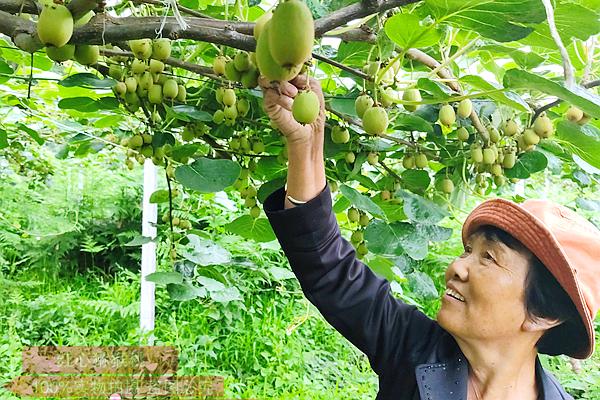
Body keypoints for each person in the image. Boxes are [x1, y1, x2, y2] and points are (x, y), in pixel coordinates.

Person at [258, 76, 600, 400]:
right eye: (468, 251)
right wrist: (306, 144)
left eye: (489, 257)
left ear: (543, 314)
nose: (457, 268)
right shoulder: (414, 348)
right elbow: (330, 271)